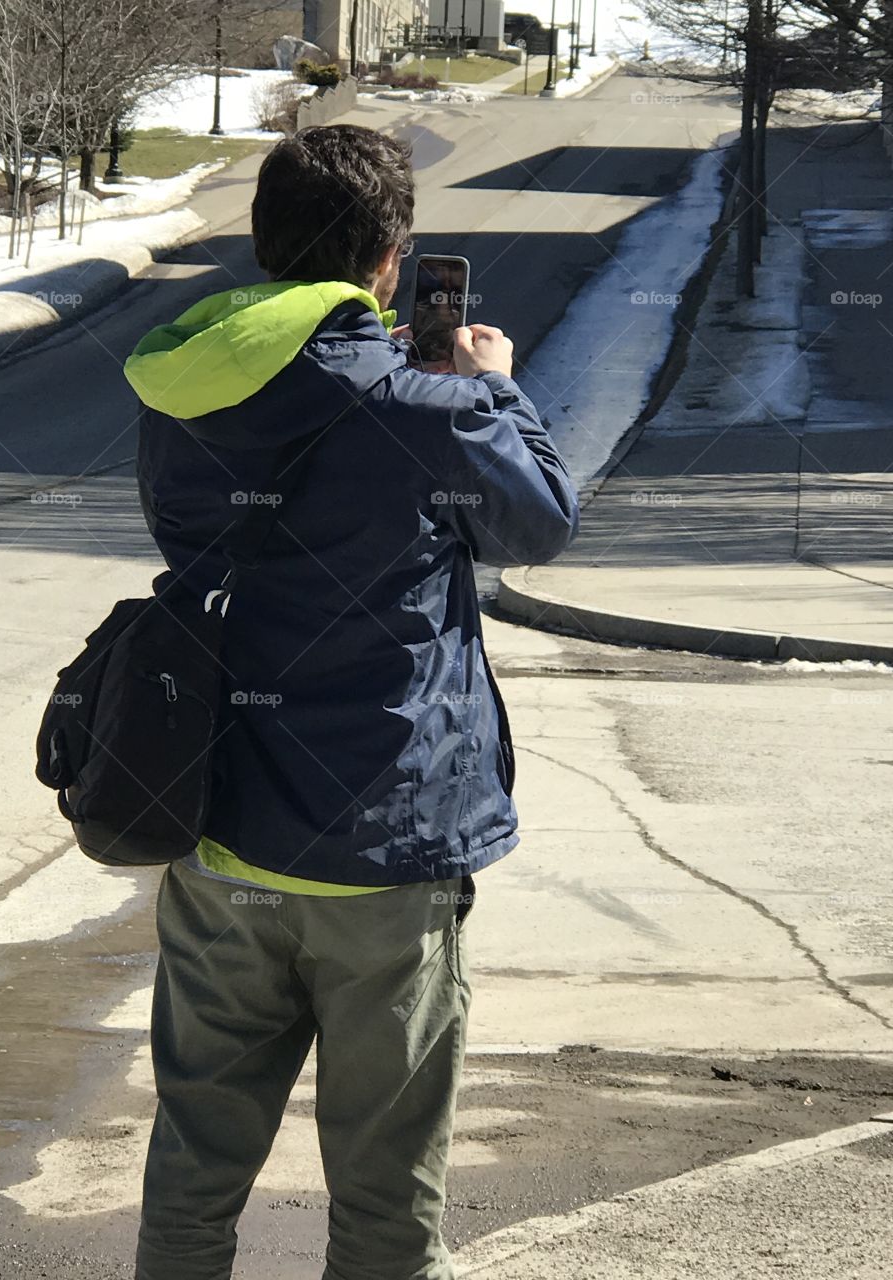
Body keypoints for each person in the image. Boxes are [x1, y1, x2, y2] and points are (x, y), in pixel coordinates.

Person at [123, 123, 579, 1280]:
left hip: (217, 832)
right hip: (387, 852)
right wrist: (496, 388)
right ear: (390, 257)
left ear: (267, 246)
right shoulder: (429, 407)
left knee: (191, 1173)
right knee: (384, 1204)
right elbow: (540, 524)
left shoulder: (176, 388)